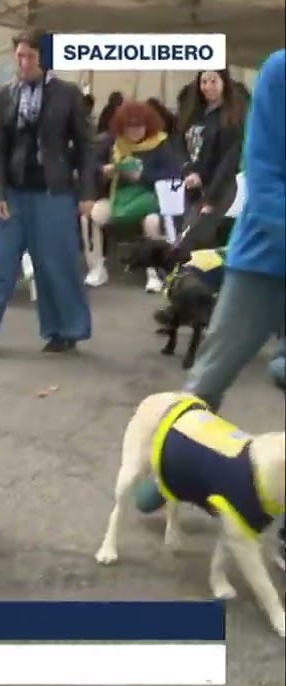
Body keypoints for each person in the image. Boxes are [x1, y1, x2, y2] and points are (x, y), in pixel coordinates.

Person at [132, 50, 285, 569]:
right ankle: (166, 470)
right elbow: (262, 181)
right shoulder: (279, 74)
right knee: (209, 378)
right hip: (265, 258)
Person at [0, 28, 94, 355]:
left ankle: (65, 329)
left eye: (29, 56)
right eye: (19, 56)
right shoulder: (5, 95)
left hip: (54, 191)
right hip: (14, 193)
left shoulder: (67, 94)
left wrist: (87, 192)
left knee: (55, 263)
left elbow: (85, 145)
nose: (22, 62)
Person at [86, 100, 185, 291]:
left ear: (148, 125)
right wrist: (104, 172)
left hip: (151, 201)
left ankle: (154, 272)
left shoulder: (161, 143)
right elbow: (92, 166)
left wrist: (142, 176)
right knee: (95, 213)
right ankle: (98, 267)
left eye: (138, 126)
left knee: (152, 221)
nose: (133, 132)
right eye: (128, 127)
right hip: (118, 199)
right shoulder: (112, 142)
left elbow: (172, 177)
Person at [174, 69, 249, 247]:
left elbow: (228, 161)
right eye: (204, 82)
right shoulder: (194, 114)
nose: (208, 87)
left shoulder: (232, 118)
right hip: (191, 188)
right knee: (185, 236)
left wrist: (211, 198)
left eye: (213, 81)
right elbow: (179, 146)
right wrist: (189, 171)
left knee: (200, 240)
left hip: (220, 188)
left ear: (224, 83)